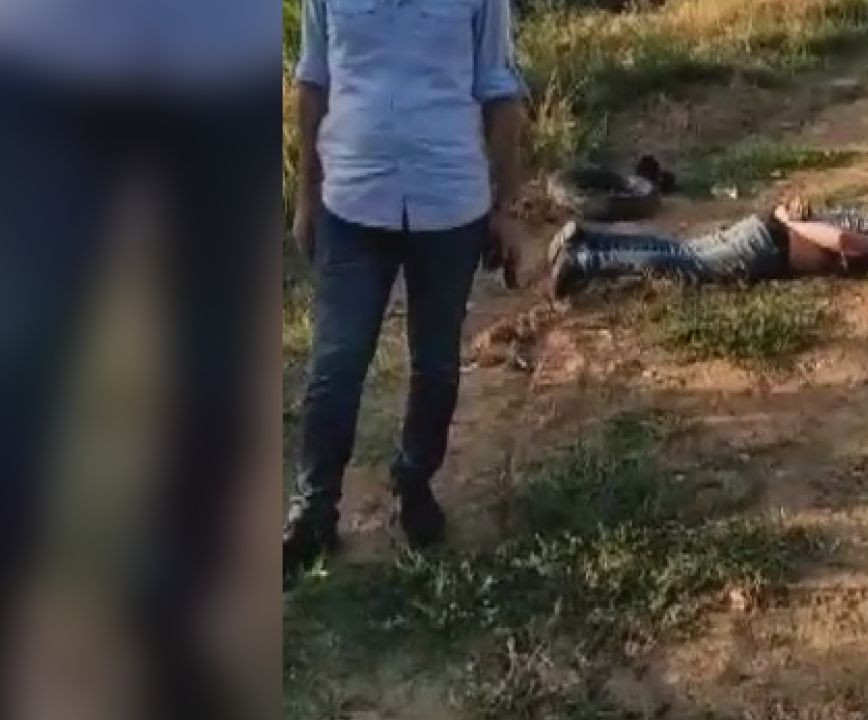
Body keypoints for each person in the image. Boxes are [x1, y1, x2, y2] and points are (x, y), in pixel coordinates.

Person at [0, 3, 277, 718]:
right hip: (44, 60)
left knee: (217, 371)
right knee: (22, 366)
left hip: (223, 68)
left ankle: (175, 635)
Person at [285, 0, 529, 585]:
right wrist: (306, 197)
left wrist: (507, 210)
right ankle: (314, 509)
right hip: (351, 201)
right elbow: (313, 83)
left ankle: (415, 480)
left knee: (437, 363)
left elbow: (499, 92)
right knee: (336, 363)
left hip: (449, 201)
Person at [547, 199, 868, 298]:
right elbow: (840, 241)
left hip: (763, 232)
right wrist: (791, 219)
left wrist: (788, 214)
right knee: (685, 263)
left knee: (676, 248)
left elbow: (830, 225)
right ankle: (584, 259)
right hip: (766, 245)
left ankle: (588, 238)